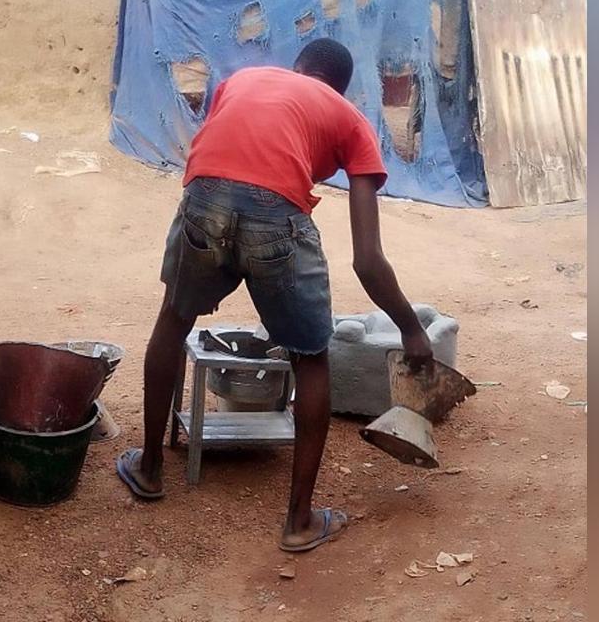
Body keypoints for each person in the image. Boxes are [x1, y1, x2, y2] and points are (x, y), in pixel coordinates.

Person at [115, 38, 433, 553]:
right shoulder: (349, 119)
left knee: (174, 318)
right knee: (310, 358)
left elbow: (229, 161)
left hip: (203, 196)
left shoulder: (244, 80)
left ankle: (149, 469)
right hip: (277, 216)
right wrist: (411, 329)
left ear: (299, 70)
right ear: (338, 87)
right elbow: (368, 260)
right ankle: (298, 521)